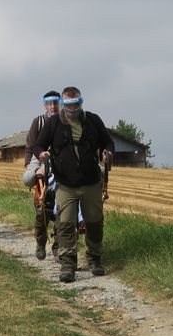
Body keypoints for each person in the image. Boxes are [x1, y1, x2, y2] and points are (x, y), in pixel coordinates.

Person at [34, 86, 114, 283]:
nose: (73, 108)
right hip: (65, 184)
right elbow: (38, 145)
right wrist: (41, 154)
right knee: (65, 224)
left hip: (91, 182)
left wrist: (107, 153)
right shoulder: (53, 122)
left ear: (81, 102)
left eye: (76, 103)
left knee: (94, 222)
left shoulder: (93, 120)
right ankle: (68, 264)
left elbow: (108, 142)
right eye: (69, 104)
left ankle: (94, 259)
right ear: (63, 104)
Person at [23, 90, 61, 260]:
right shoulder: (38, 122)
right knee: (41, 210)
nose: (52, 106)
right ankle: (40, 243)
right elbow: (30, 146)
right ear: (45, 105)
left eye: (55, 102)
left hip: (60, 163)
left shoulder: (66, 122)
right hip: (40, 161)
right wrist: (33, 168)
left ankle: (58, 246)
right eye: (49, 103)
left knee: (64, 209)